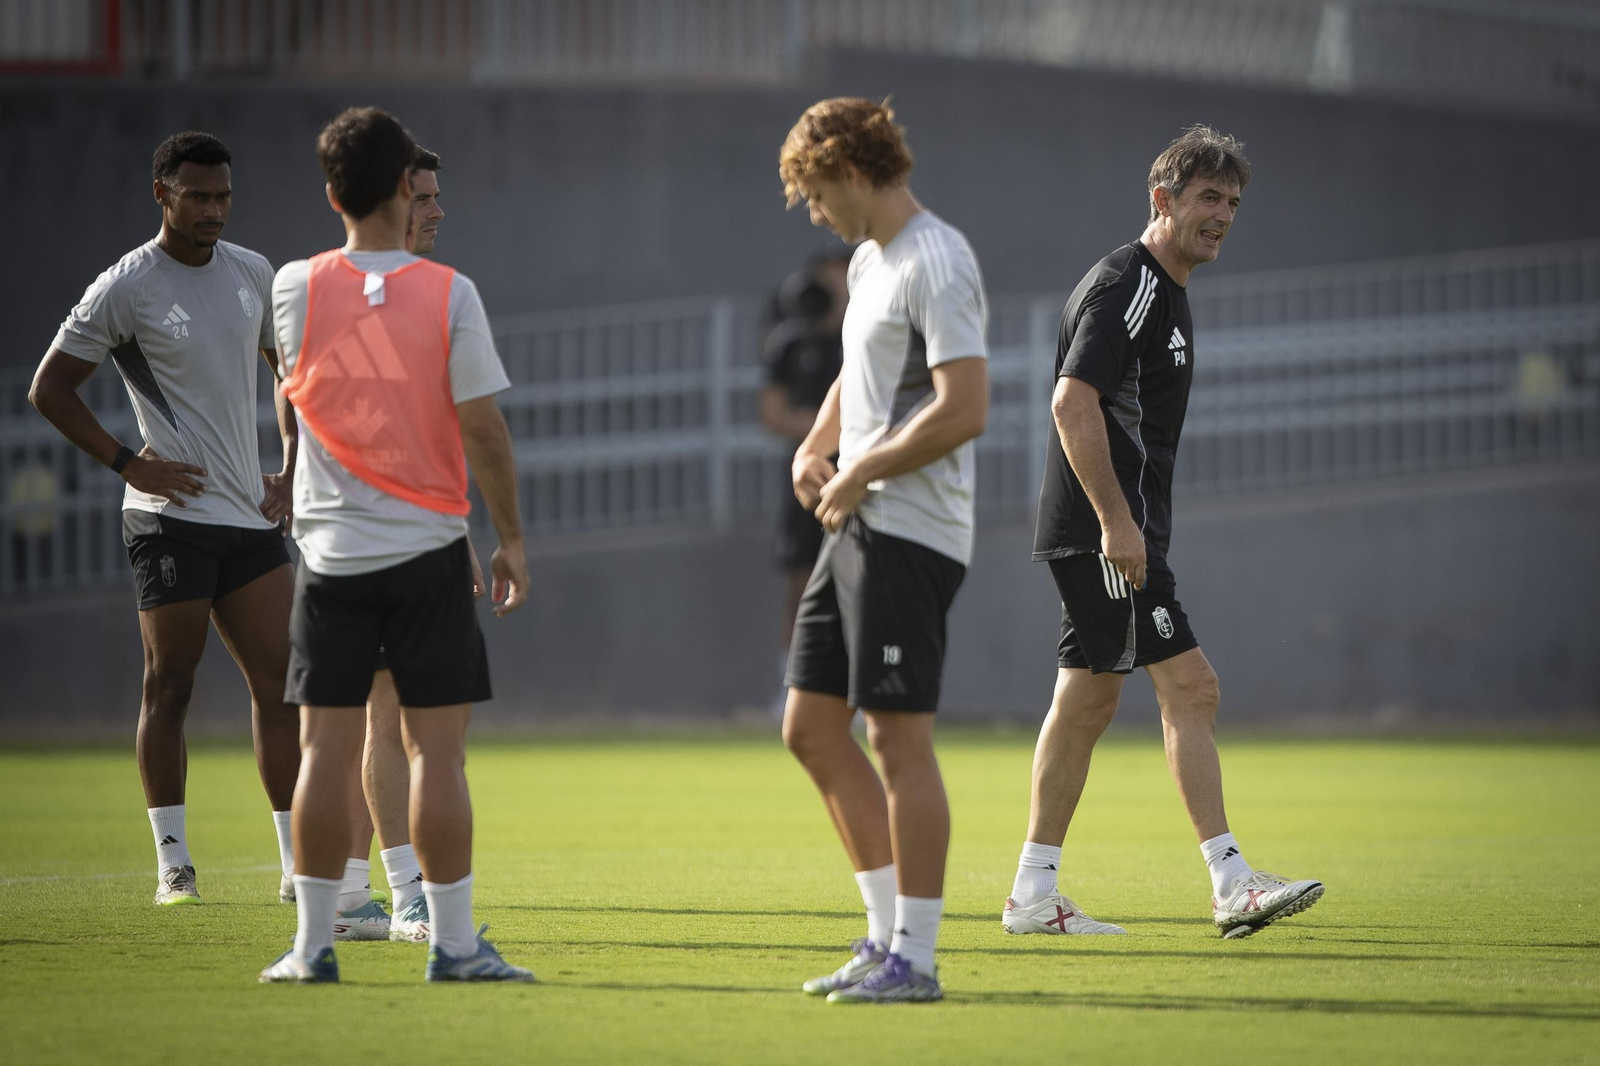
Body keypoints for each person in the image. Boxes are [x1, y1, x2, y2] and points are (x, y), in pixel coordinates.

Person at [1004, 125, 1323, 941]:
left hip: (1111, 533)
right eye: (1208, 197)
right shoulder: (1132, 284)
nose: (1223, 214)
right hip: (1109, 533)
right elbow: (1073, 401)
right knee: (1192, 688)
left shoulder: (1167, 290)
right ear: (1164, 201)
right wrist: (1118, 523)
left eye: (1233, 202)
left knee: (1084, 703)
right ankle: (1231, 882)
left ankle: (1034, 895)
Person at [259, 107, 532, 983]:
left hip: (330, 555)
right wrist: (512, 540)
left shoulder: (293, 286)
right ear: (401, 190)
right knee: (437, 754)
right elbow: (485, 432)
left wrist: (298, 478)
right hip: (428, 549)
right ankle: (451, 944)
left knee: (322, 753)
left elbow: (291, 392)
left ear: (334, 192)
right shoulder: (450, 292)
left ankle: (311, 948)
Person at [29, 131, 300, 906]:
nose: (213, 210)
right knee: (171, 686)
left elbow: (289, 373)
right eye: (197, 196)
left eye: (222, 196)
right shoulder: (128, 285)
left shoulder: (254, 272)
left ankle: (293, 864)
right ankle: (173, 864)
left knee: (281, 687)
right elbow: (50, 388)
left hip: (249, 517)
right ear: (162, 194)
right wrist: (127, 462)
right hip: (167, 518)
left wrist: (290, 459)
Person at [777, 98, 989, 1004]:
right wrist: (816, 445)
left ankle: (920, 958)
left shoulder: (938, 259)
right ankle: (881, 938)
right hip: (858, 520)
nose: (815, 213)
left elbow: (964, 407)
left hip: (910, 531)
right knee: (811, 728)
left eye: (818, 193)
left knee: (896, 737)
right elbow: (853, 377)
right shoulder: (869, 261)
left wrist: (859, 471)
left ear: (854, 173)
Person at [327, 144, 474, 944]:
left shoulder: (422, 293)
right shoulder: (363, 294)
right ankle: (411, 895)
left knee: (380, 726)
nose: (438, 210)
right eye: (424, 197)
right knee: (398, 724)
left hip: (418, 534)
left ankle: (349, 897)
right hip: (379, 541)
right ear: (388, 200)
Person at [760, 251, 848, 688]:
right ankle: (791, 685)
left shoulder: (862, 340)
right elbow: (773, 413)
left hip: (857, 478)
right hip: (806, 480)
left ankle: (848, 688)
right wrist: (823, 434)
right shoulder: (791, 342)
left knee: (853, 585)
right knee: (800, 585)